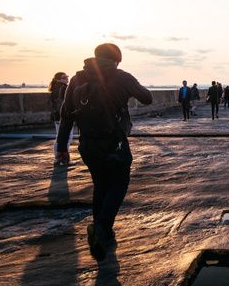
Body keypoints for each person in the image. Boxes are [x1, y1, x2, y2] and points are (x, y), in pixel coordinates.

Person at [55, 43, 152, 261]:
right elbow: (147, 98)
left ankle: (104, 234)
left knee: (100, 185)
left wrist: (62, 147)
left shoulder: (77, 79)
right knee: (119, 184)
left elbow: (66, 116)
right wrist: (127, 87)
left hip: (88, 145)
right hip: (114, 143)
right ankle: (100, 228)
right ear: (116, 60)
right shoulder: (121, 76)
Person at [48, 71, 71, 163]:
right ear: (58, 79)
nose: (67, 79)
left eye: (66, 77)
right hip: (62, 115)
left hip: (56, 115)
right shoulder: (64, 88)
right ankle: (62, 158)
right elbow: (64, 103)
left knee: (59, 136)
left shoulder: (54, 88)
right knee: (67, 137)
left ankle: (57, 157)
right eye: (64, 77)